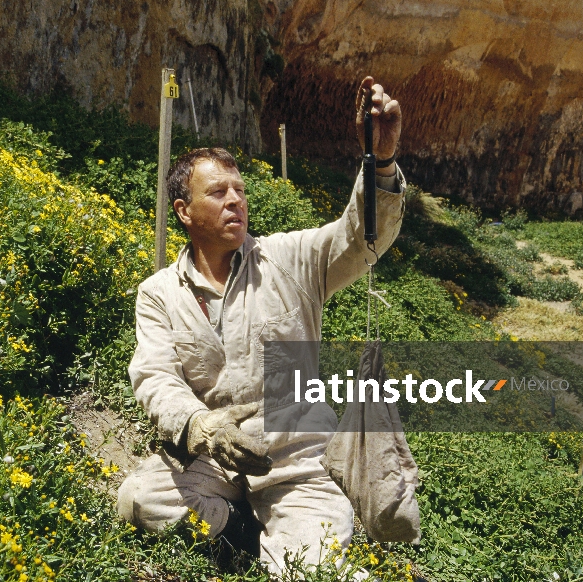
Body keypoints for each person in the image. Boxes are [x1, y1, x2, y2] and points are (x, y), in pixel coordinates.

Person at [116, 77, 406, 573]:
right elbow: (155, 376)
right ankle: (238, 530)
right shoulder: (159, 293)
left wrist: (379, 163)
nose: (236, 201)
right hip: (216, 455)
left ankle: (289, 534)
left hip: (299, 460)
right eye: (218, 192)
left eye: (240, 191)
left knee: (313, 568)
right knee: (140, 499)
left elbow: (360, 240)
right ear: (183, 211)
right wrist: (200, 426)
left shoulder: (291, 258)